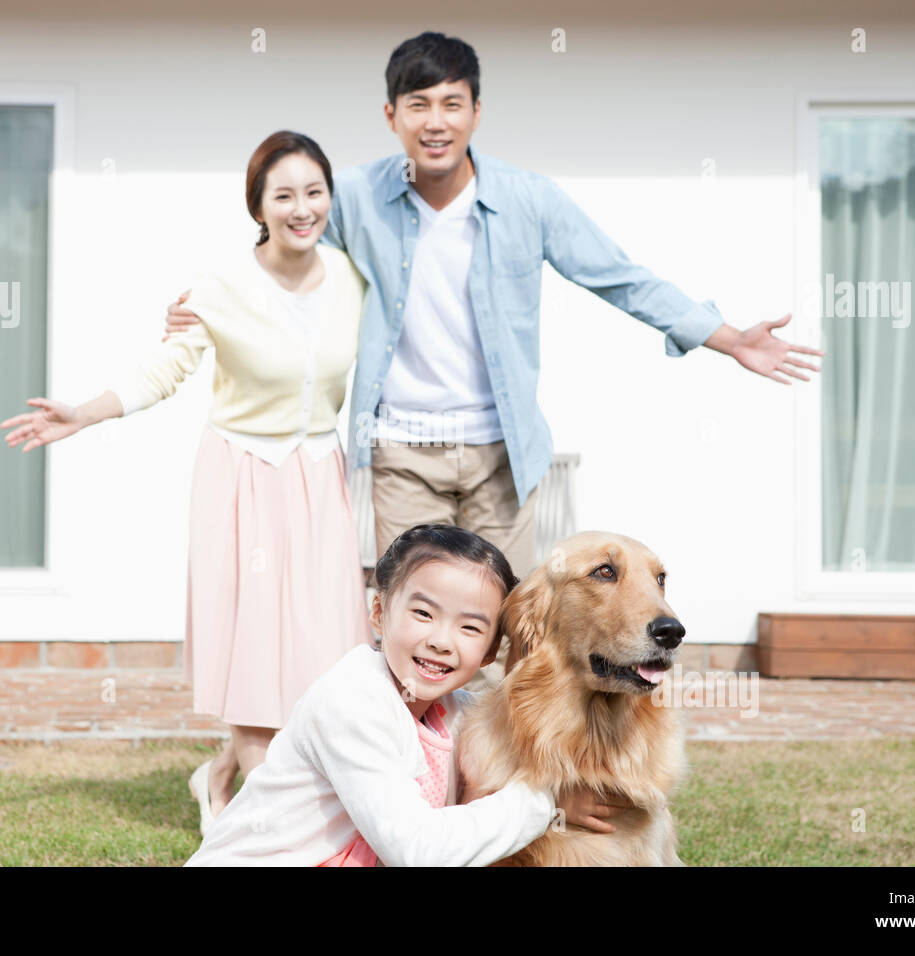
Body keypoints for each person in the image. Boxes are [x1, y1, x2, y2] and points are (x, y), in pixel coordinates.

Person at [163, 32, 823, 673]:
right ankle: (417, 778)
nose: (436, 121)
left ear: (476, 111)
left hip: (503, 457)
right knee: (417, 628)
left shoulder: (526, 200)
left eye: (452, 103)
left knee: (509, 627)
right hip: (401, 453)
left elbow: (619, 276)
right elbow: (283, 247)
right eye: (418, 105)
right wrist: (211, 308)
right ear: (391, 116)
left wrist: (727, 337)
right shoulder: (358, 197)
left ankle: (495, 777)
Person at [0, 130, 373, 826]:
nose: (302, 208)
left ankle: (219, 776)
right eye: (283, 195)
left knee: (327, 660)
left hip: (321, 477)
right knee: (257, 655)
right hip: (241, 482)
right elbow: (164, 370)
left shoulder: (354, 279)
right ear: (258, 207)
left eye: (314, 193)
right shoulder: (219, 288)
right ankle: (269, 830)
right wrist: (84, 412)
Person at [185, 523, 632, 866]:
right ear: (379, 613)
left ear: (492, 649)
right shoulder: (351, 702)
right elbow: (416, 850)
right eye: (423, 613)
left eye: (470, 626)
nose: (441, 640)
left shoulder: (460, 714)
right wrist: (546, 803)